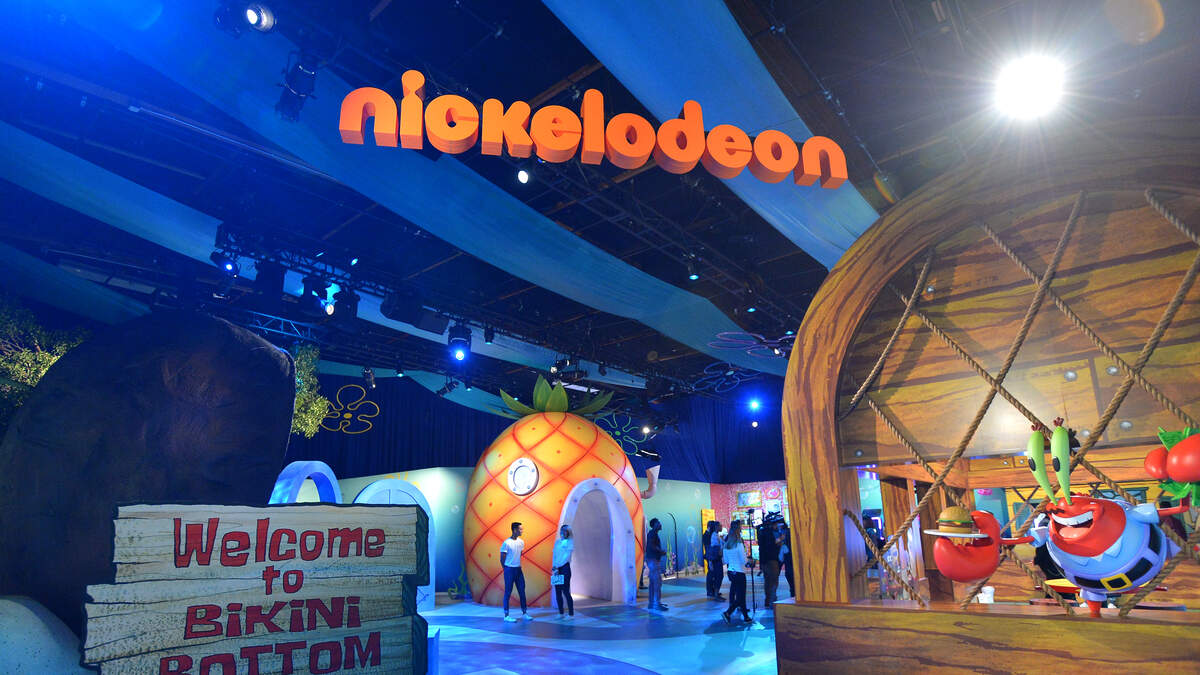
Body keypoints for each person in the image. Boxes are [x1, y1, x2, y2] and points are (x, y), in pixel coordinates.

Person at [721, 521, 752, 624]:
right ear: (738, 530)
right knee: (741, 596)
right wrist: (749, 560)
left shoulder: (726, 544)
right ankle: (728, 612)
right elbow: (743, 560)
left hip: (731, 572)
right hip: (739, 572)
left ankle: (746, 616)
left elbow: (726, 561)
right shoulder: (739, 544)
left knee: (740, 595)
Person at [500, 522, 531, 622]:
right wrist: (506, 569)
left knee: (522, 591)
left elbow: (520, 554)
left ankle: (524, 613)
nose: (522, 531)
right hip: (509, 569)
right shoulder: (506, 543)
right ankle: (506, 615)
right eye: (520, 529)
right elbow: (502, 558)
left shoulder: (521, 542)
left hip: (518, 569)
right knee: (508, 592)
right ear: (514, 530)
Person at [757, 513, 783, 607]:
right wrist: (781, 539)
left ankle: (768, 600)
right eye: (776, 524)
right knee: (773, 581)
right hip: (772, 560)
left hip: (764, 561)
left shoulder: (761, 531)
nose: (777, 526)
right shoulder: (770, 533)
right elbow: (772, 544)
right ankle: (772, 600)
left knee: (767, 581)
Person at [552, 524, 575, 618]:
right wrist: (554, 567)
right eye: (562, 530)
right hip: (557, 569)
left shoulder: (570, 542)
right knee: (557, 592)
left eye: (566, 531)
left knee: (565, 591)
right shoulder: (557, 542)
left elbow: (566, 557)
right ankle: (561, 613)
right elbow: (554, 555)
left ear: (568, 532)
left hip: (565, 568)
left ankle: (571, 614)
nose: (563, 532)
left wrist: (558, 566)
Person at [645, 518, 668, 611]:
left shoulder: (652, 534)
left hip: (652, 560)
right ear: (654, 525)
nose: (660, 524)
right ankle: (656, 604)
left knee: (653, 583)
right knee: (657, 583)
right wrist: (661, 551)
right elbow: (651, 546)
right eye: (658, 523)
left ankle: (652, 603)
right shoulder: (652, 534)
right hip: (653, 561)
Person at [703, 520, 725, 600]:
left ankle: (713, 591)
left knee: (715, 575)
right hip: (712, 558)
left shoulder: (713, 535)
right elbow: (709, 549)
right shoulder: (708, 535)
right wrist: (710, 560)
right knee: (713, 575)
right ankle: (711, 591)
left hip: (713, 558)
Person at [778, 519, 794, 599]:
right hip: (791, 558)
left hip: (788, 558)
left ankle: (793, 594)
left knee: (789, 575)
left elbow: (783, 546)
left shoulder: (784, 533)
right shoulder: (789, 531)